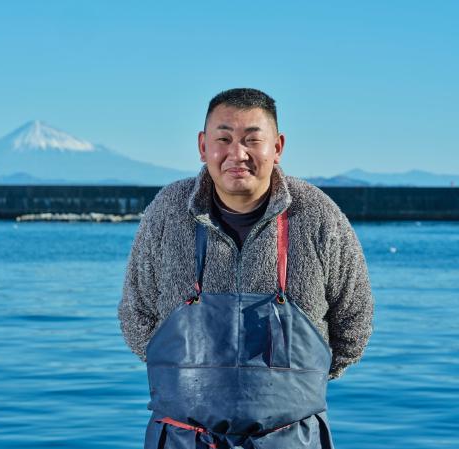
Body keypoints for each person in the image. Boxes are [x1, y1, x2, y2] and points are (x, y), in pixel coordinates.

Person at [117, 88, 374, 449]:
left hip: (291, 440)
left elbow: (354, 322)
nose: (237, 154)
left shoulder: (318, 215)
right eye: (224, 139)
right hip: (182, 438)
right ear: (203, 146)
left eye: (253, 140)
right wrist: (187, 381)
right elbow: (136, 313)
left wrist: (296, 385)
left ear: (278, 147)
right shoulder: (168, 210)